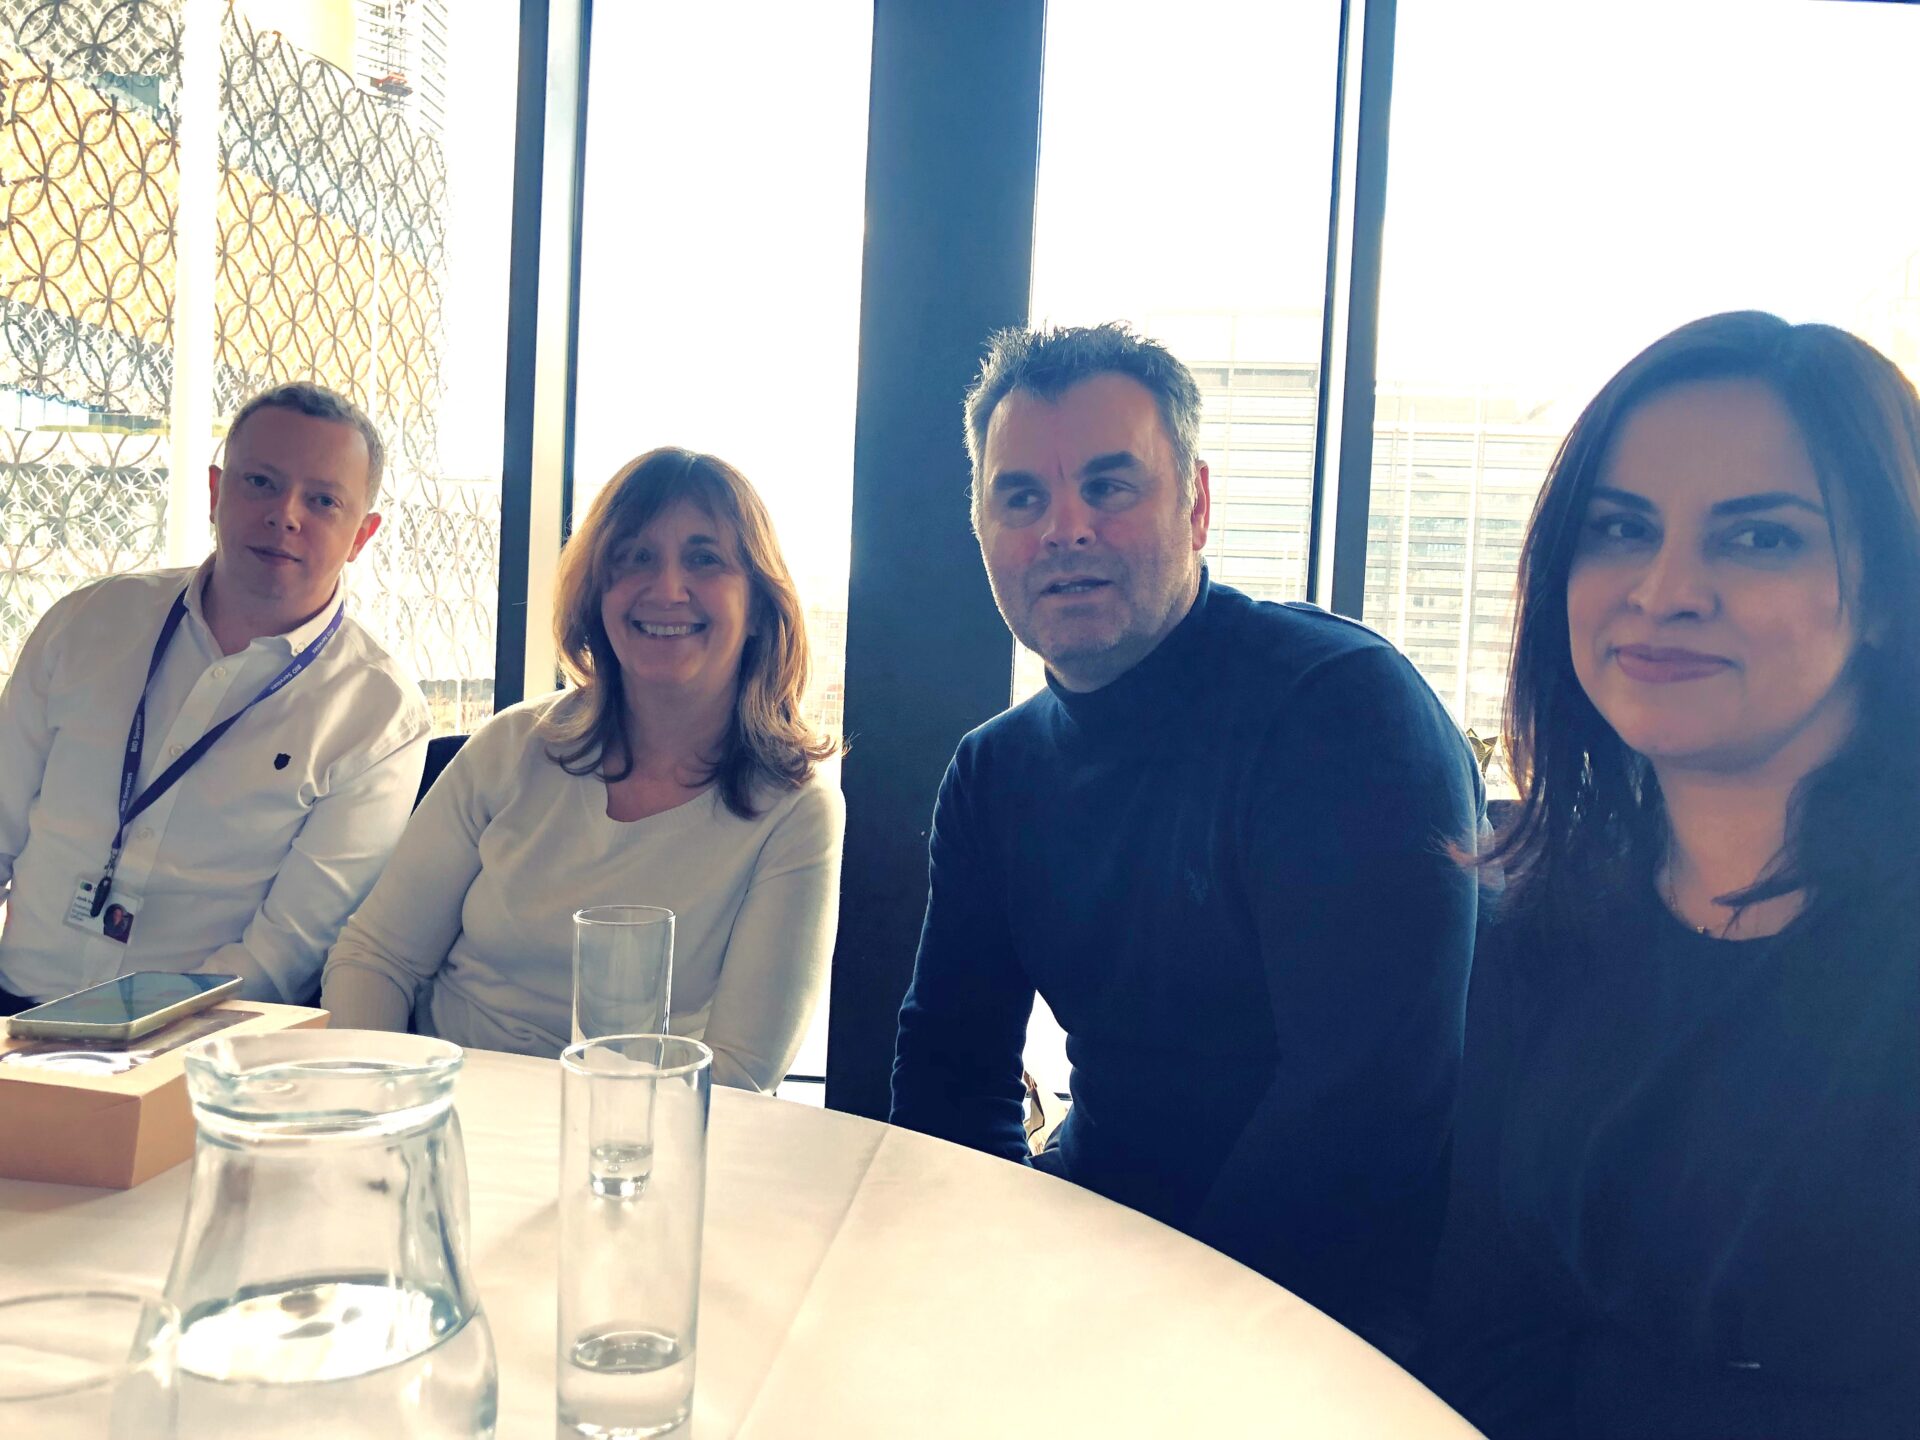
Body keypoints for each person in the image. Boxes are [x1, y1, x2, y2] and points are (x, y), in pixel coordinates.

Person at [888, 323, 1482, 1354]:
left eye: (1110, 487)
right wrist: (974, 1272)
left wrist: (1140, 1329)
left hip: (1347, 1307)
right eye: (1020, 496)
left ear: (1197, 503)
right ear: (982, 527)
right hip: (1102, 1239)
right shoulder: (995, 772)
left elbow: (1364, 1112)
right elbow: (949, 1067)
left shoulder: (1336, 708)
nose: (1063, 528)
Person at [1420, 312, 1920, 1437]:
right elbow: (1488, 1323)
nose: (1664, 588)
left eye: (1760, 539)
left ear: (1886, 593)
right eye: (1619, 529)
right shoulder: (1541, 920)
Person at [322, 447, 844, 1092]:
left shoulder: (795, 807)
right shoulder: (512, 745)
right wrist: (381, 1107)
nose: (667, 588)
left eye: (705, 559)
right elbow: (376, 957)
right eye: (635, 557)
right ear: (597, 592)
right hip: (440, 1114)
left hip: (632, 1149)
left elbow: (739, 1074)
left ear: (761, 605)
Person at [0, 382, 429, 1009]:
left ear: (361, 535)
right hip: (14, 1011)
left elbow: (286, 950)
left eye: (323, 500)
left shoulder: (379, 715)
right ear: (214, 491)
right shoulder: (87, 622)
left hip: (191, 1045)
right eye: (259, 482)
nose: (285, 514)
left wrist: (117, 1036)